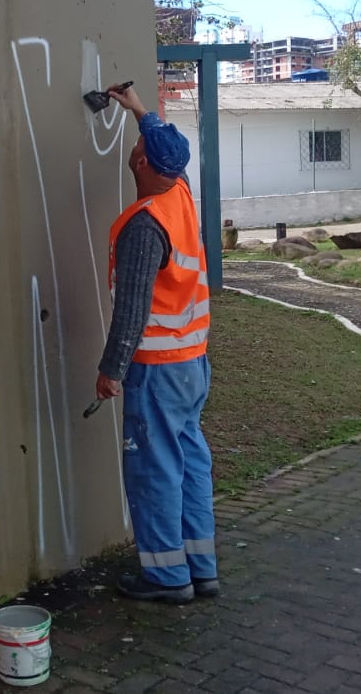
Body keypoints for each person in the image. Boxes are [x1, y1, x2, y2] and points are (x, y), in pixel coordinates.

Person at [94, 83, 216, 604]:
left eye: (141, 148)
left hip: (158, 368)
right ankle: (199, 567)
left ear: (143, 163)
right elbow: (170, 152)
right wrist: (139, 109)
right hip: (192, 364)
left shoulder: (144, 225)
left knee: (155, 469)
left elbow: (132, 309)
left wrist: (111, 369)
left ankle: (167, 579)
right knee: (189, 461)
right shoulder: (180, 196)